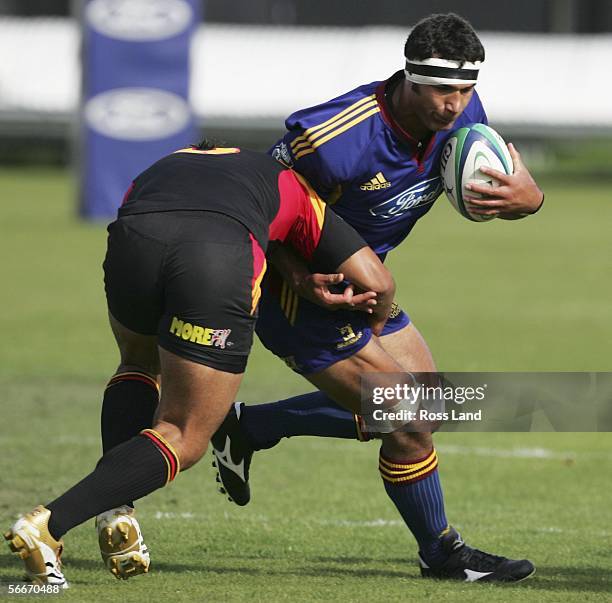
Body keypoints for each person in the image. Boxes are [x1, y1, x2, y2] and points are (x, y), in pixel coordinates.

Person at [211, 13, 543, 582]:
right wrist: (293, 275)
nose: (454, 105)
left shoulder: (466, 120)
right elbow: (255, 196)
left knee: (433, 407)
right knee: (409, 421)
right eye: (441, 90)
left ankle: (252, 427)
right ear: (409, 79)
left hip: (367, 285)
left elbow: (512, 180)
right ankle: (441, 554)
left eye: (466, 90)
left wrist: (530, 198)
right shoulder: (334, 138)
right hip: (302, 296)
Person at [4, 142, 395, 587]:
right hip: (218, 258)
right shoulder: (290, 179)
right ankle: (48, 525)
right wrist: (378, 327)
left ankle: (117, 508)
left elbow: (131, 208)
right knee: (185, 435)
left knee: (137, 361)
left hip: (134, 241)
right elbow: (377, 282)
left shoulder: (162, 165)